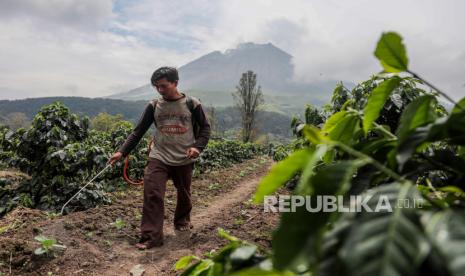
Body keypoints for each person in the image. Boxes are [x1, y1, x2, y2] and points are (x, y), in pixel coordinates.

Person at [107, 66, 211, 250]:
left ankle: (181, 221)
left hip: (184, 157)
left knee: (184, 193)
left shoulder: (192, 103)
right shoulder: (154, 105)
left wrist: (198, 147)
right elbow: (138, 131)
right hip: (159, 156)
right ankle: (151, 237)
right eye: (156, 87)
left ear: (175, 83)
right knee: (152, 193)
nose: (160, 90)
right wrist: (121, 152)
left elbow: (205, 128)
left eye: (163, 86)